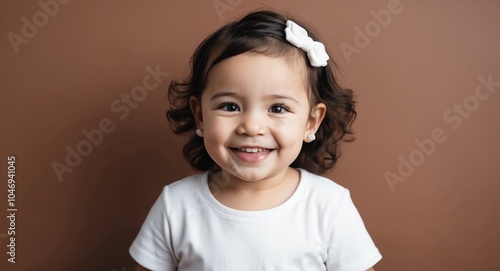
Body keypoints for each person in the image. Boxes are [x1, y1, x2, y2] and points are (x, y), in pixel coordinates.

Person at [130, 9, 382, 271]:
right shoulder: (177, 206)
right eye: (229, 106)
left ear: (311, 122)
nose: (251, 126)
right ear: (200, 115)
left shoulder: (328, 207)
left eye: (278, 108)